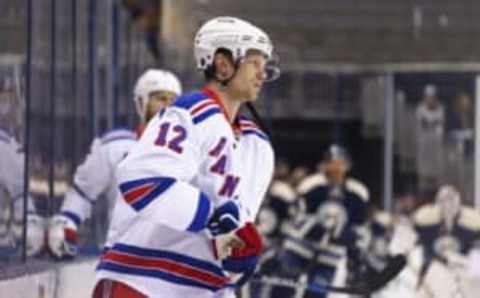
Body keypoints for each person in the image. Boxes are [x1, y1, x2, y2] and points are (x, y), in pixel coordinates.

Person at [93, 16, 280, 298]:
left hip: (205, 289)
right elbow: (143, 181)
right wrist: (212, 217)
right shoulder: (190, 112)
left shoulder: (258, 146)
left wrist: (242, 254)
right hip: (144, 281)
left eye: (265, 65)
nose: (262, 73)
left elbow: (233, 230)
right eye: (255, 62)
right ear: (223, 64)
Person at [48, 69, 182, 258]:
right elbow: (83, 192)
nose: (168, 106)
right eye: (160, 98)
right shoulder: (115, 147)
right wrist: (68, 222)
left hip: (173, 261)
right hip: (124, 259)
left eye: (173, 101)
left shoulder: (190, 153)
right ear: (141, 102)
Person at [270, 144, 370, 298]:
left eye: (340, 162)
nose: (336, 167)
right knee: (283, 288)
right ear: (324, 165)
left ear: (347, 165)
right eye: (332, 162)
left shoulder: (357, 193)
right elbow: (296, 216)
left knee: (316, 294)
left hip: (330, 254)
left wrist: (354, 255)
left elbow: (360, 228)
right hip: (300, 247)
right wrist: (317, 229)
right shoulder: (312, 185)